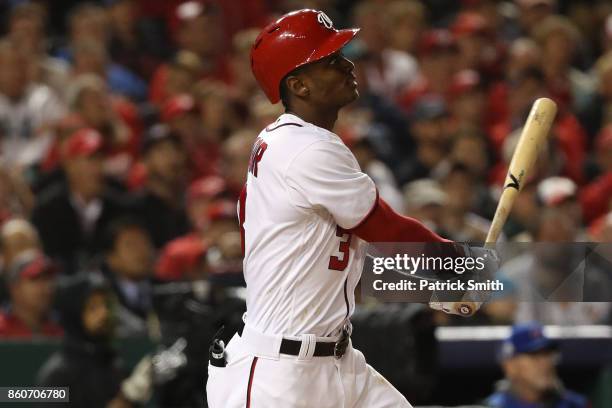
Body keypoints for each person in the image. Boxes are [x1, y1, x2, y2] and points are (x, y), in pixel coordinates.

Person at [206, 9, 495, 407]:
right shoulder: (305, 148)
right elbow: (384, 228)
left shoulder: (289, 142)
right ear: (299, 85)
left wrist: (431, 289)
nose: (347, 64)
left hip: (336, 362)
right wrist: (458, 265)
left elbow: (333, 262)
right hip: (282, 377)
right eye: (329, 60)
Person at [485, 322, 589, 408]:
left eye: (548, 354)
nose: (545, 363)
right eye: (534, 356)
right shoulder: (493, 406)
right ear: (510, 366)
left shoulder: (575, 405)